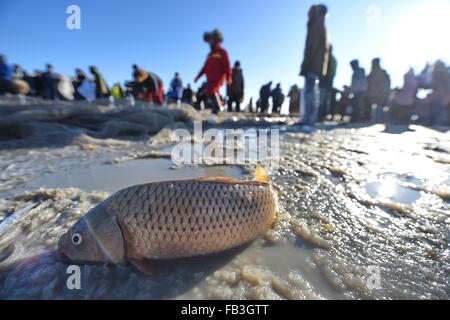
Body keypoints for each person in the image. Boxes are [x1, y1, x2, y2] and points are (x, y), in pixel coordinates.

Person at [300, 4, 330, 126]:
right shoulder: (319, 24)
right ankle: (309, 116)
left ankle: (309, 117)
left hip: (313, 63)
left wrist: (306, 65)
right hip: (315, 63)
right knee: (311, 89)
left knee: (309, 90)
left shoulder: (316, 25)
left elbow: (312, 48)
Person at [195, 29, 232, 114]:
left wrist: (229, 77)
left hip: (219, 78)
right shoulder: (210, 55)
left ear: (216, 40)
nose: (210, 42)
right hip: (210, 79)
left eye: (212, 40)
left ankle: (219, 107)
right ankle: (219, 105)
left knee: (211, 90)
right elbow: (204, 68)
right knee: (209, 91)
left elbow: (227, 66)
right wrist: (197, 77)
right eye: (209, 41)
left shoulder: (222, 52)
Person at [365, 58, 391, 122]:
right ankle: (374, 119)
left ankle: (376, 119)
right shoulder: (374, 72)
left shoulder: (380, 72)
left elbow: (386, 82)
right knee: (376, 106)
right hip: (375, 93)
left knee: (378, 106)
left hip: (378, 93)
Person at [318, 45, 337, 122]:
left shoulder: (327, 57)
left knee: (322, 101)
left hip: (325, 81)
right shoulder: (334, 59)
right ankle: (321, 117)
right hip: (330, 82)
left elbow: (324, 70)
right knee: (325, 101)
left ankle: (319, 117)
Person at [429, 60, 450, 126]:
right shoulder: (437, 73)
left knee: (442, 111)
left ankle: (440, 123)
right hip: (439, 96)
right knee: (439, 110)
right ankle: (438, 123)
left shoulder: (443, 73)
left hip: (442, 95)